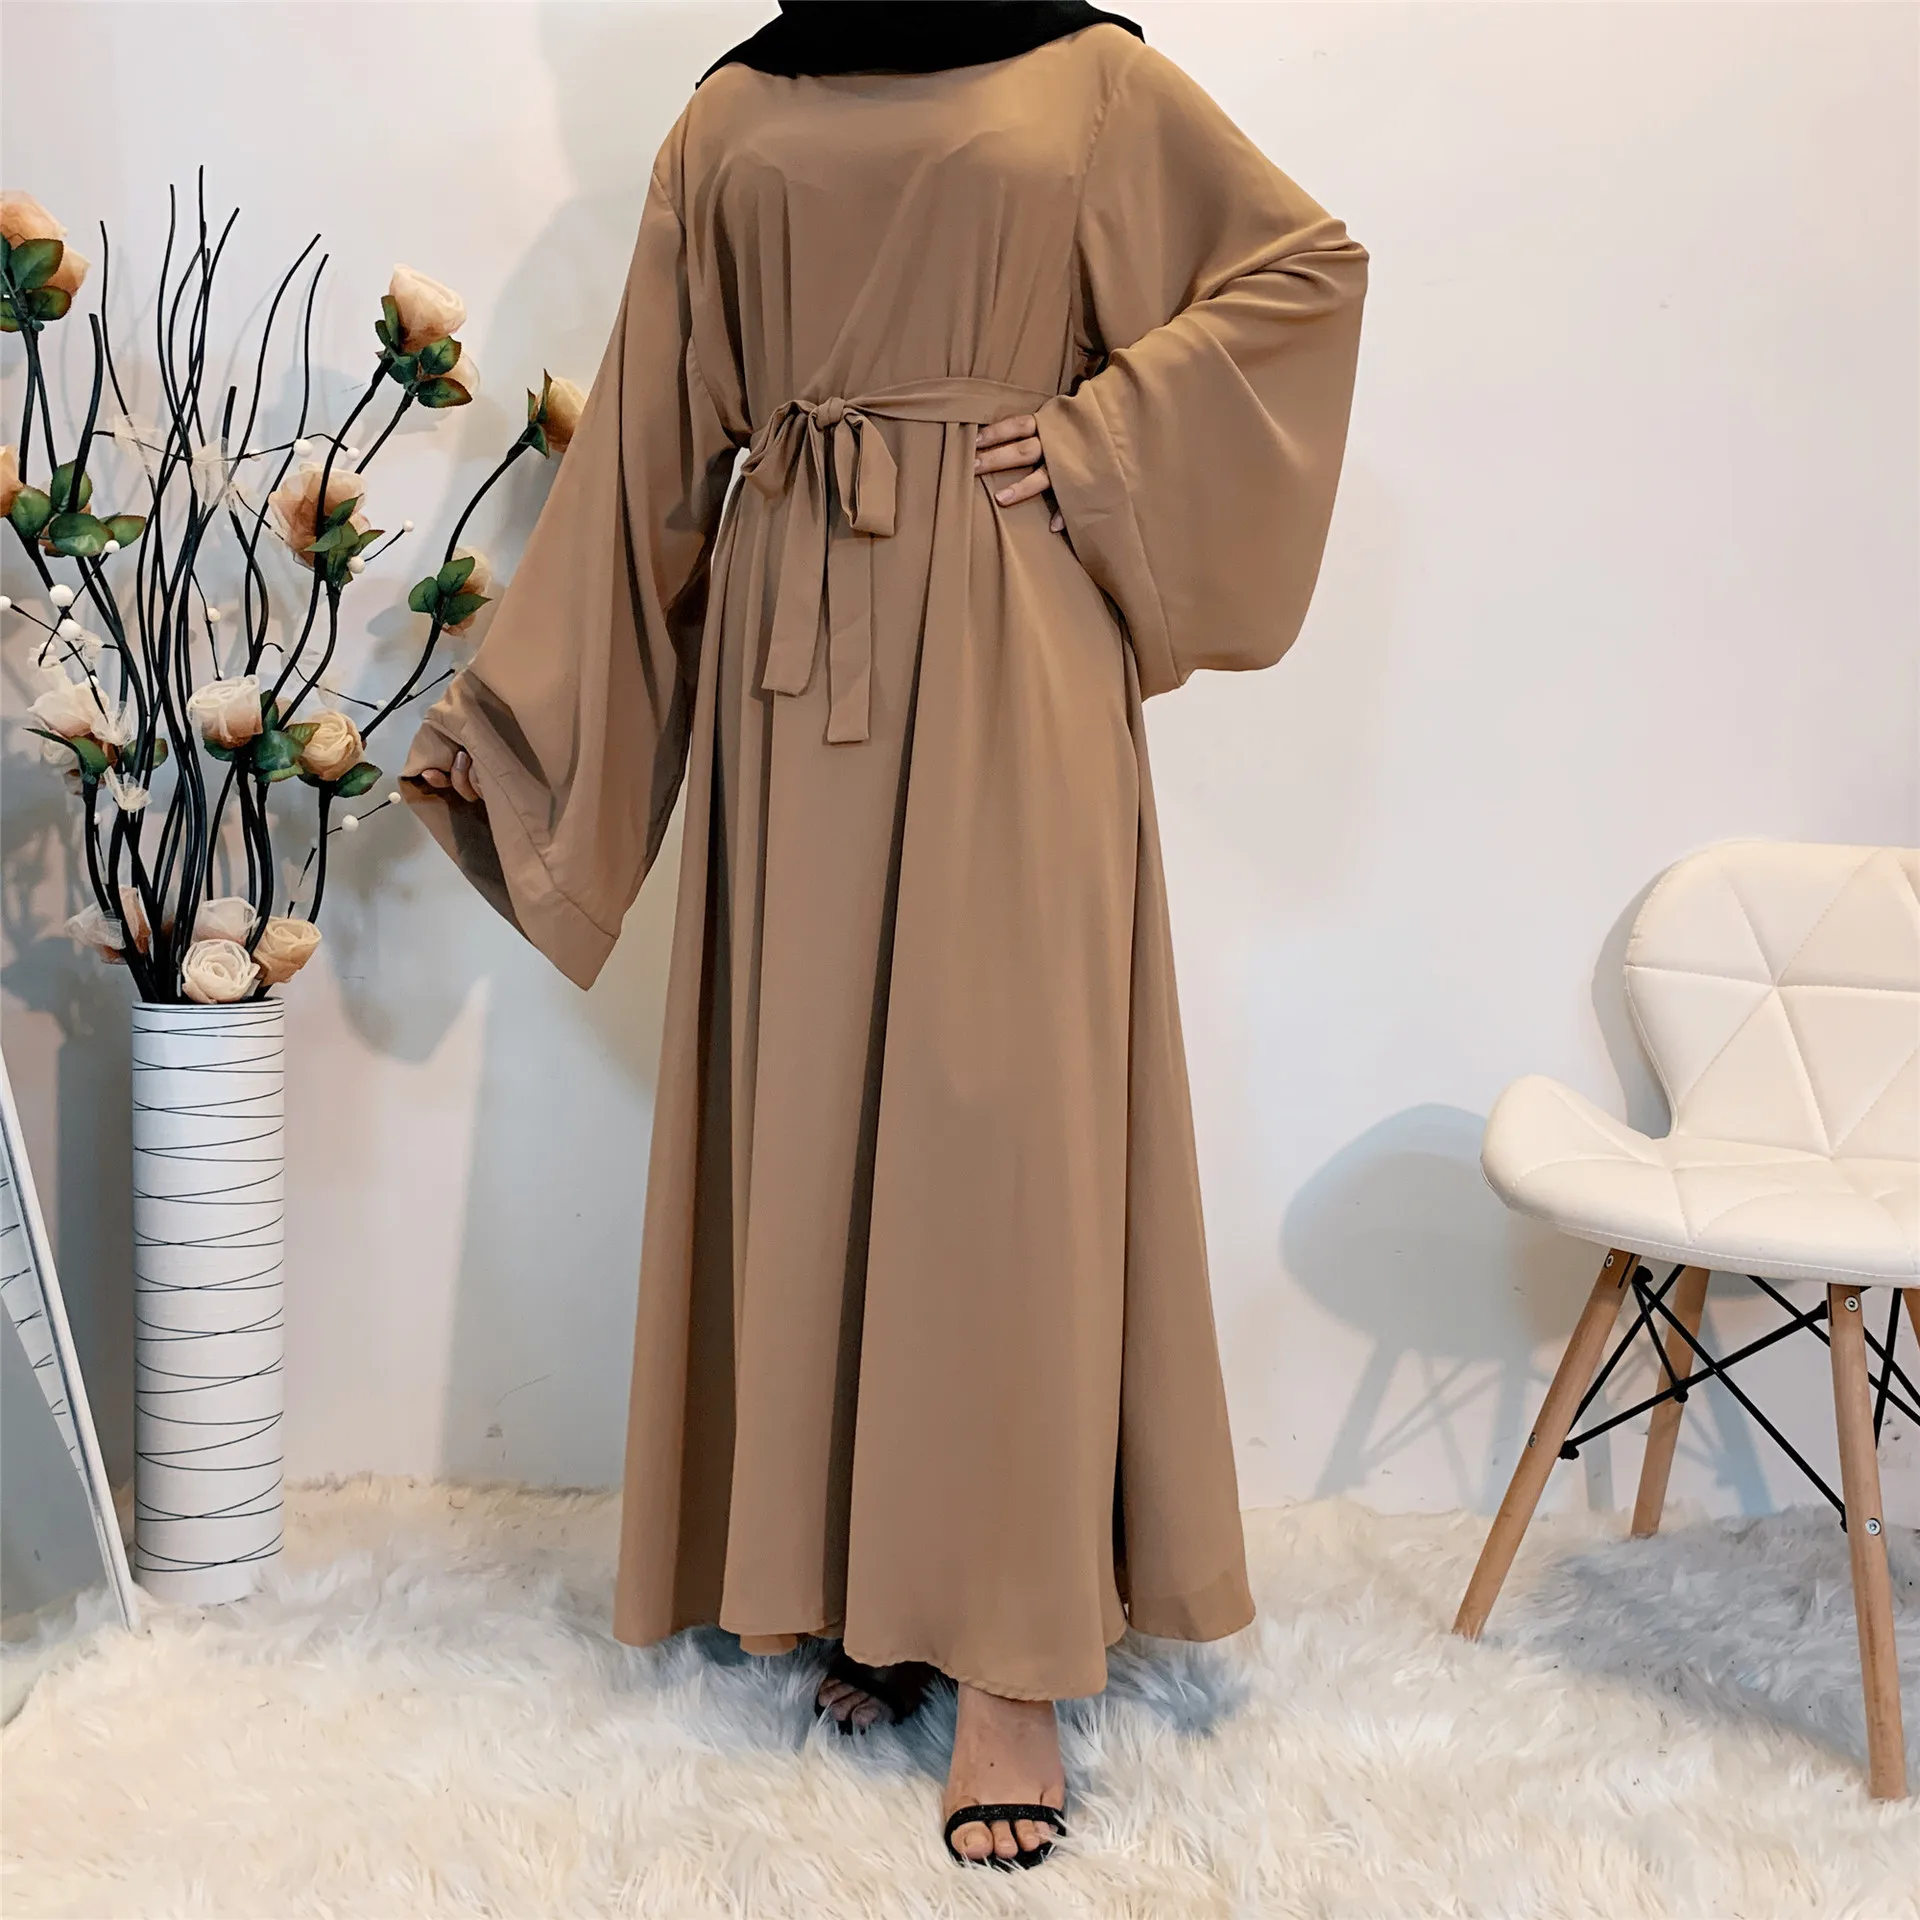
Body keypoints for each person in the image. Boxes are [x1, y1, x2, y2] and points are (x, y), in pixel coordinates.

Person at [403, 0, 1366, 1872]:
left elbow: (1297, 276)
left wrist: (1097, 446)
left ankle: (1013, 1655)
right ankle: (873, 1582)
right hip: (794, 677)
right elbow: (649, 451)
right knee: (825, 1123)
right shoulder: (730, 111)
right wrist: (519, 728)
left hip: (1012, 639)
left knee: (1003, 1140)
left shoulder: (1089, 76)